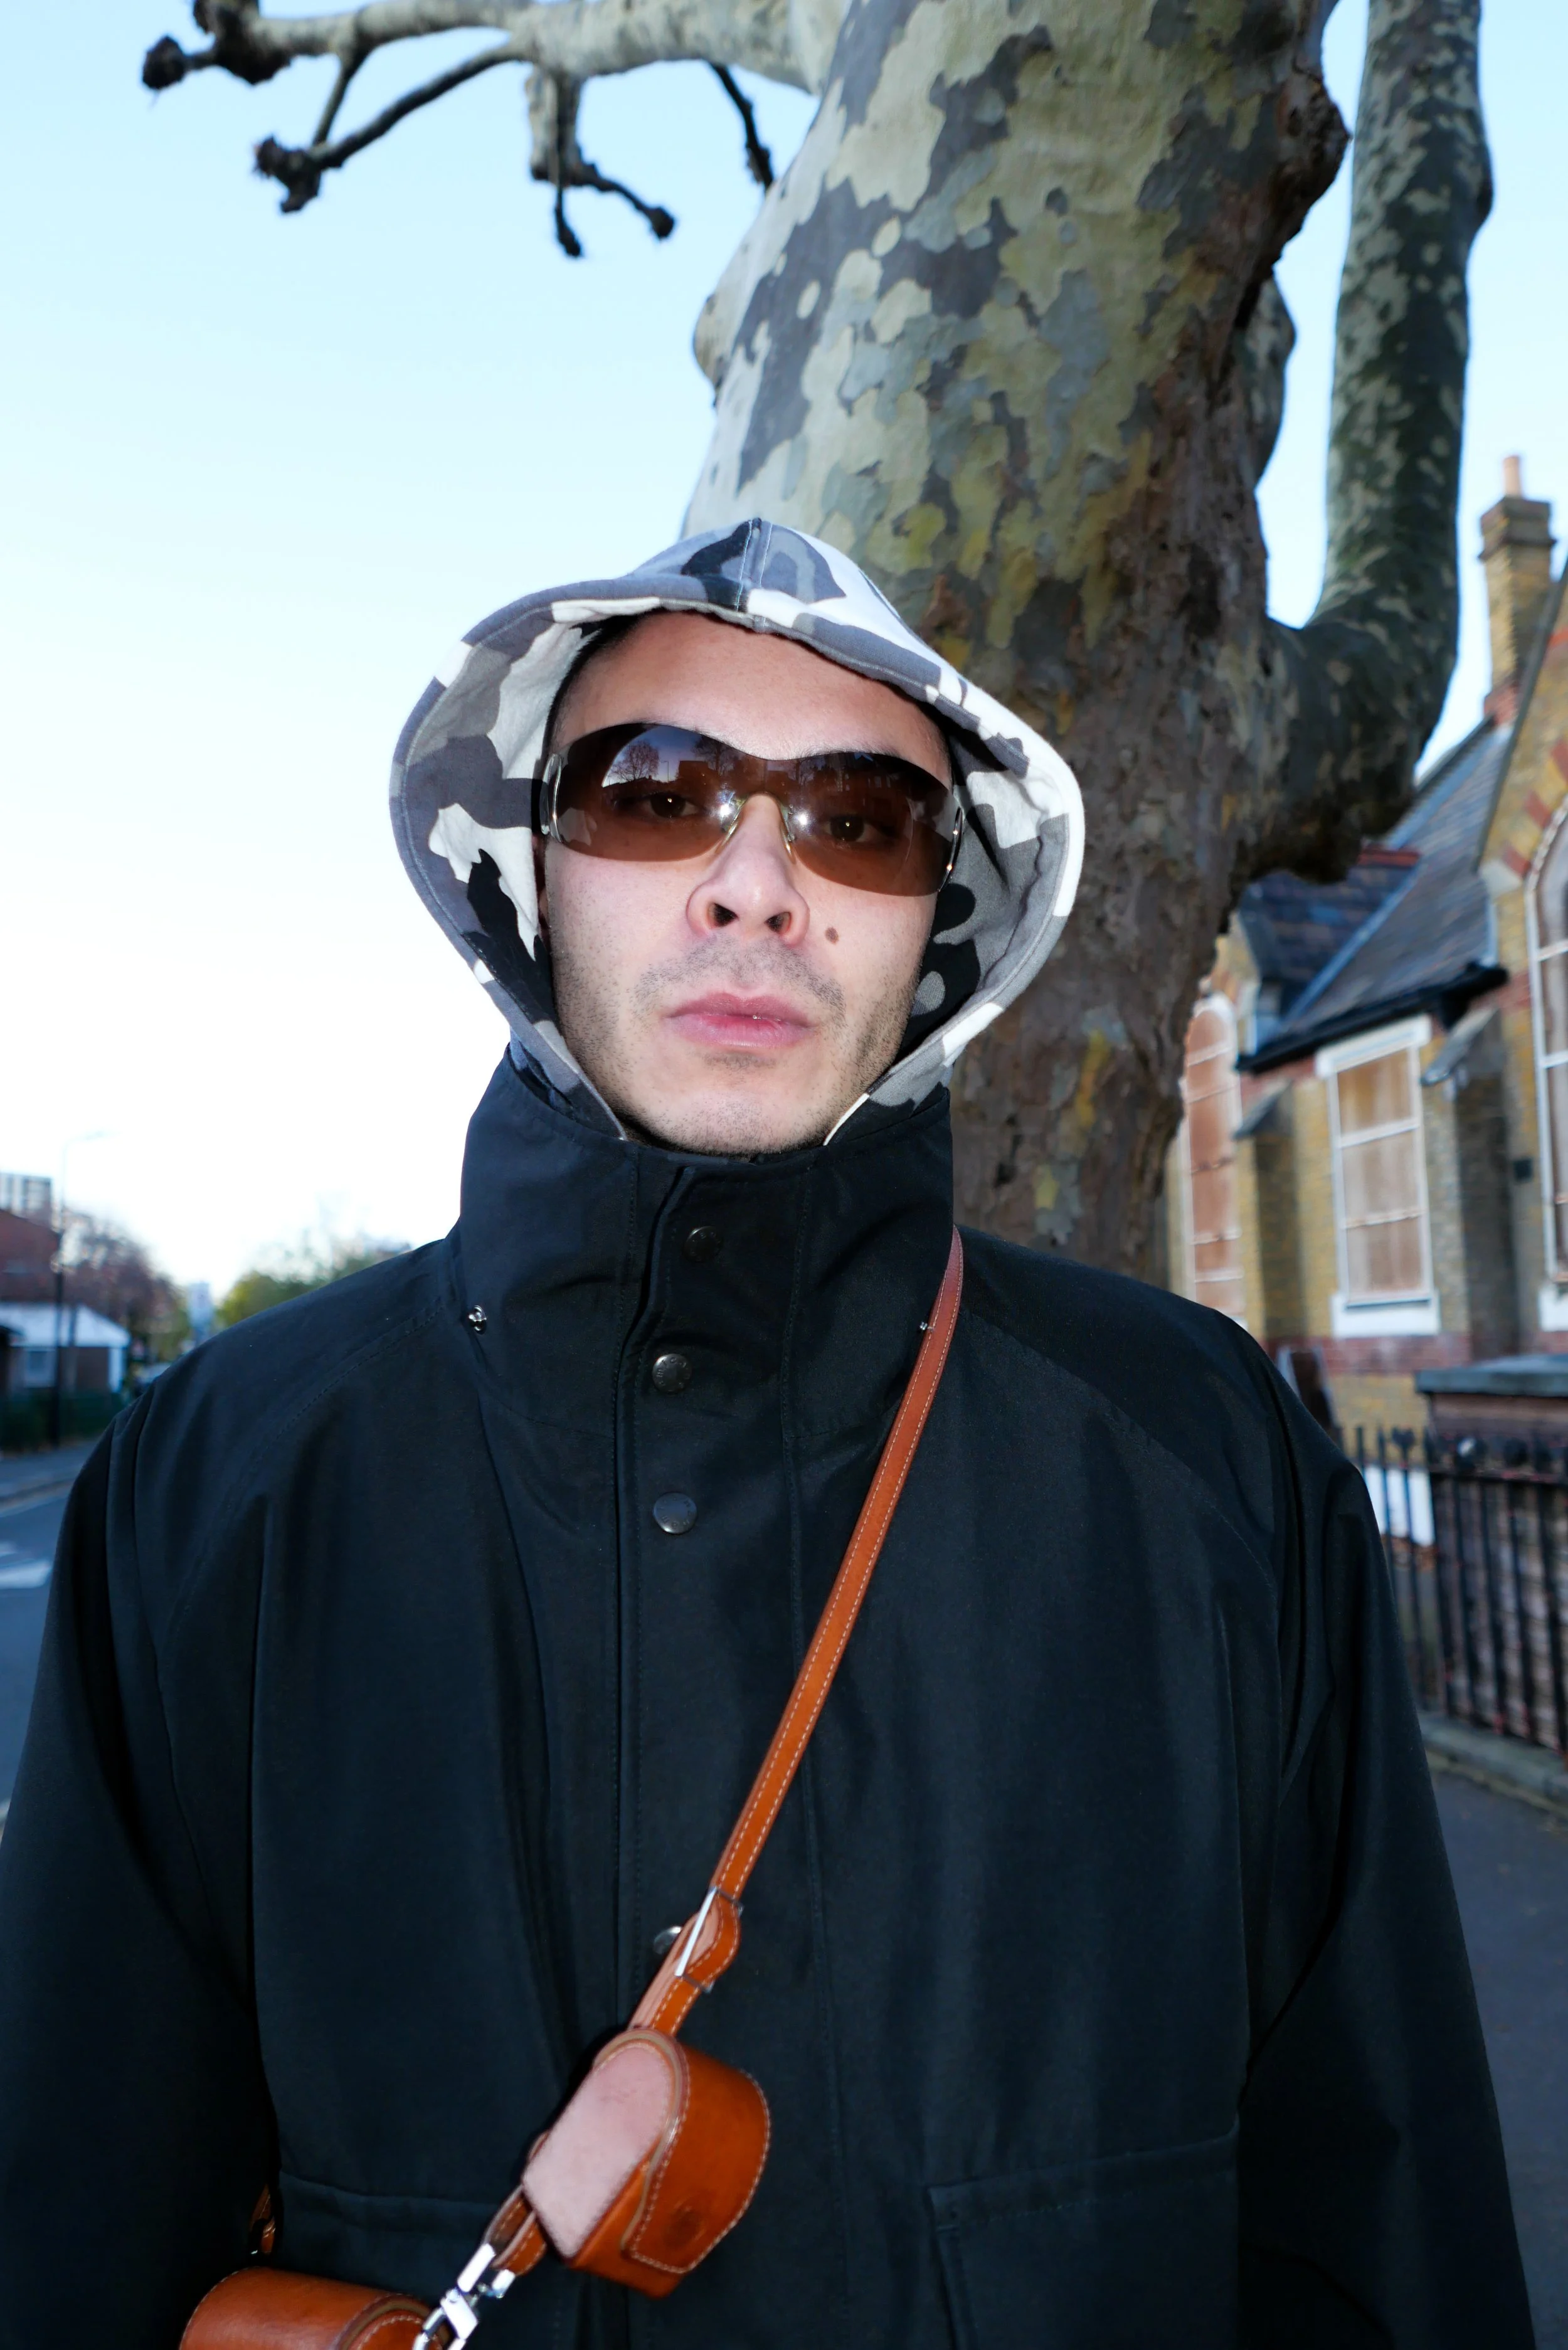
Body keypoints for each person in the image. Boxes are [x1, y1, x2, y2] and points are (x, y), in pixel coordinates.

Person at [0, 520, 1532, 2349]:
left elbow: (1377, 2200)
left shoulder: (1200, 1457)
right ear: (531, 870)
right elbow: (81, 2201)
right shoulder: (224, 1474)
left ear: (935, 909)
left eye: (856, 818)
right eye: (654, 794)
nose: (753, 883)